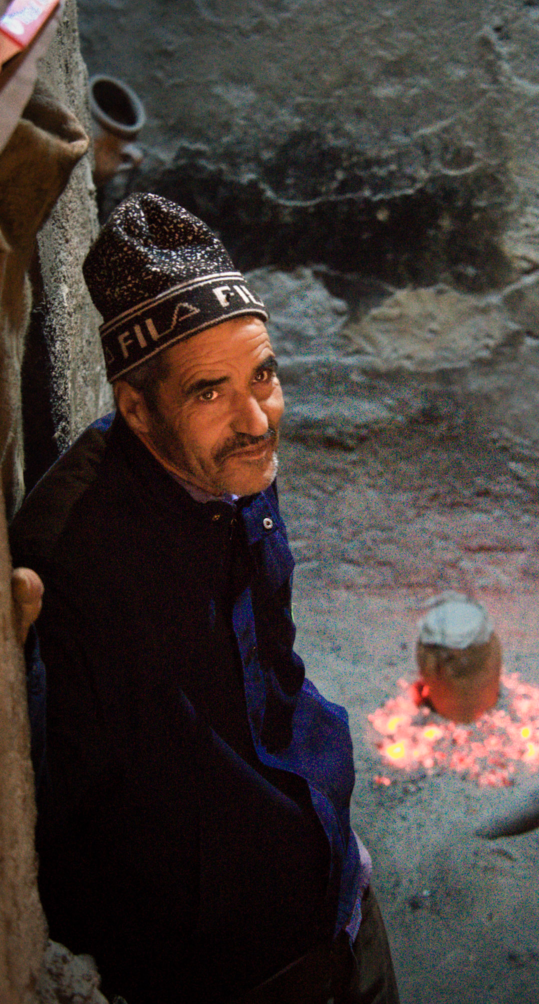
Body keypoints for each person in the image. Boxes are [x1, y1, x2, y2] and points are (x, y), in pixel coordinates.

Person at [10, 193, 399, 1004]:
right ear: (136, 409)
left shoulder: (234, 464)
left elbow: (272, 661)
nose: (258, 420)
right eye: (209, 391)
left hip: (337, 894)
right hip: (225, 969)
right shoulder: (71, 562)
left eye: (264, 374)